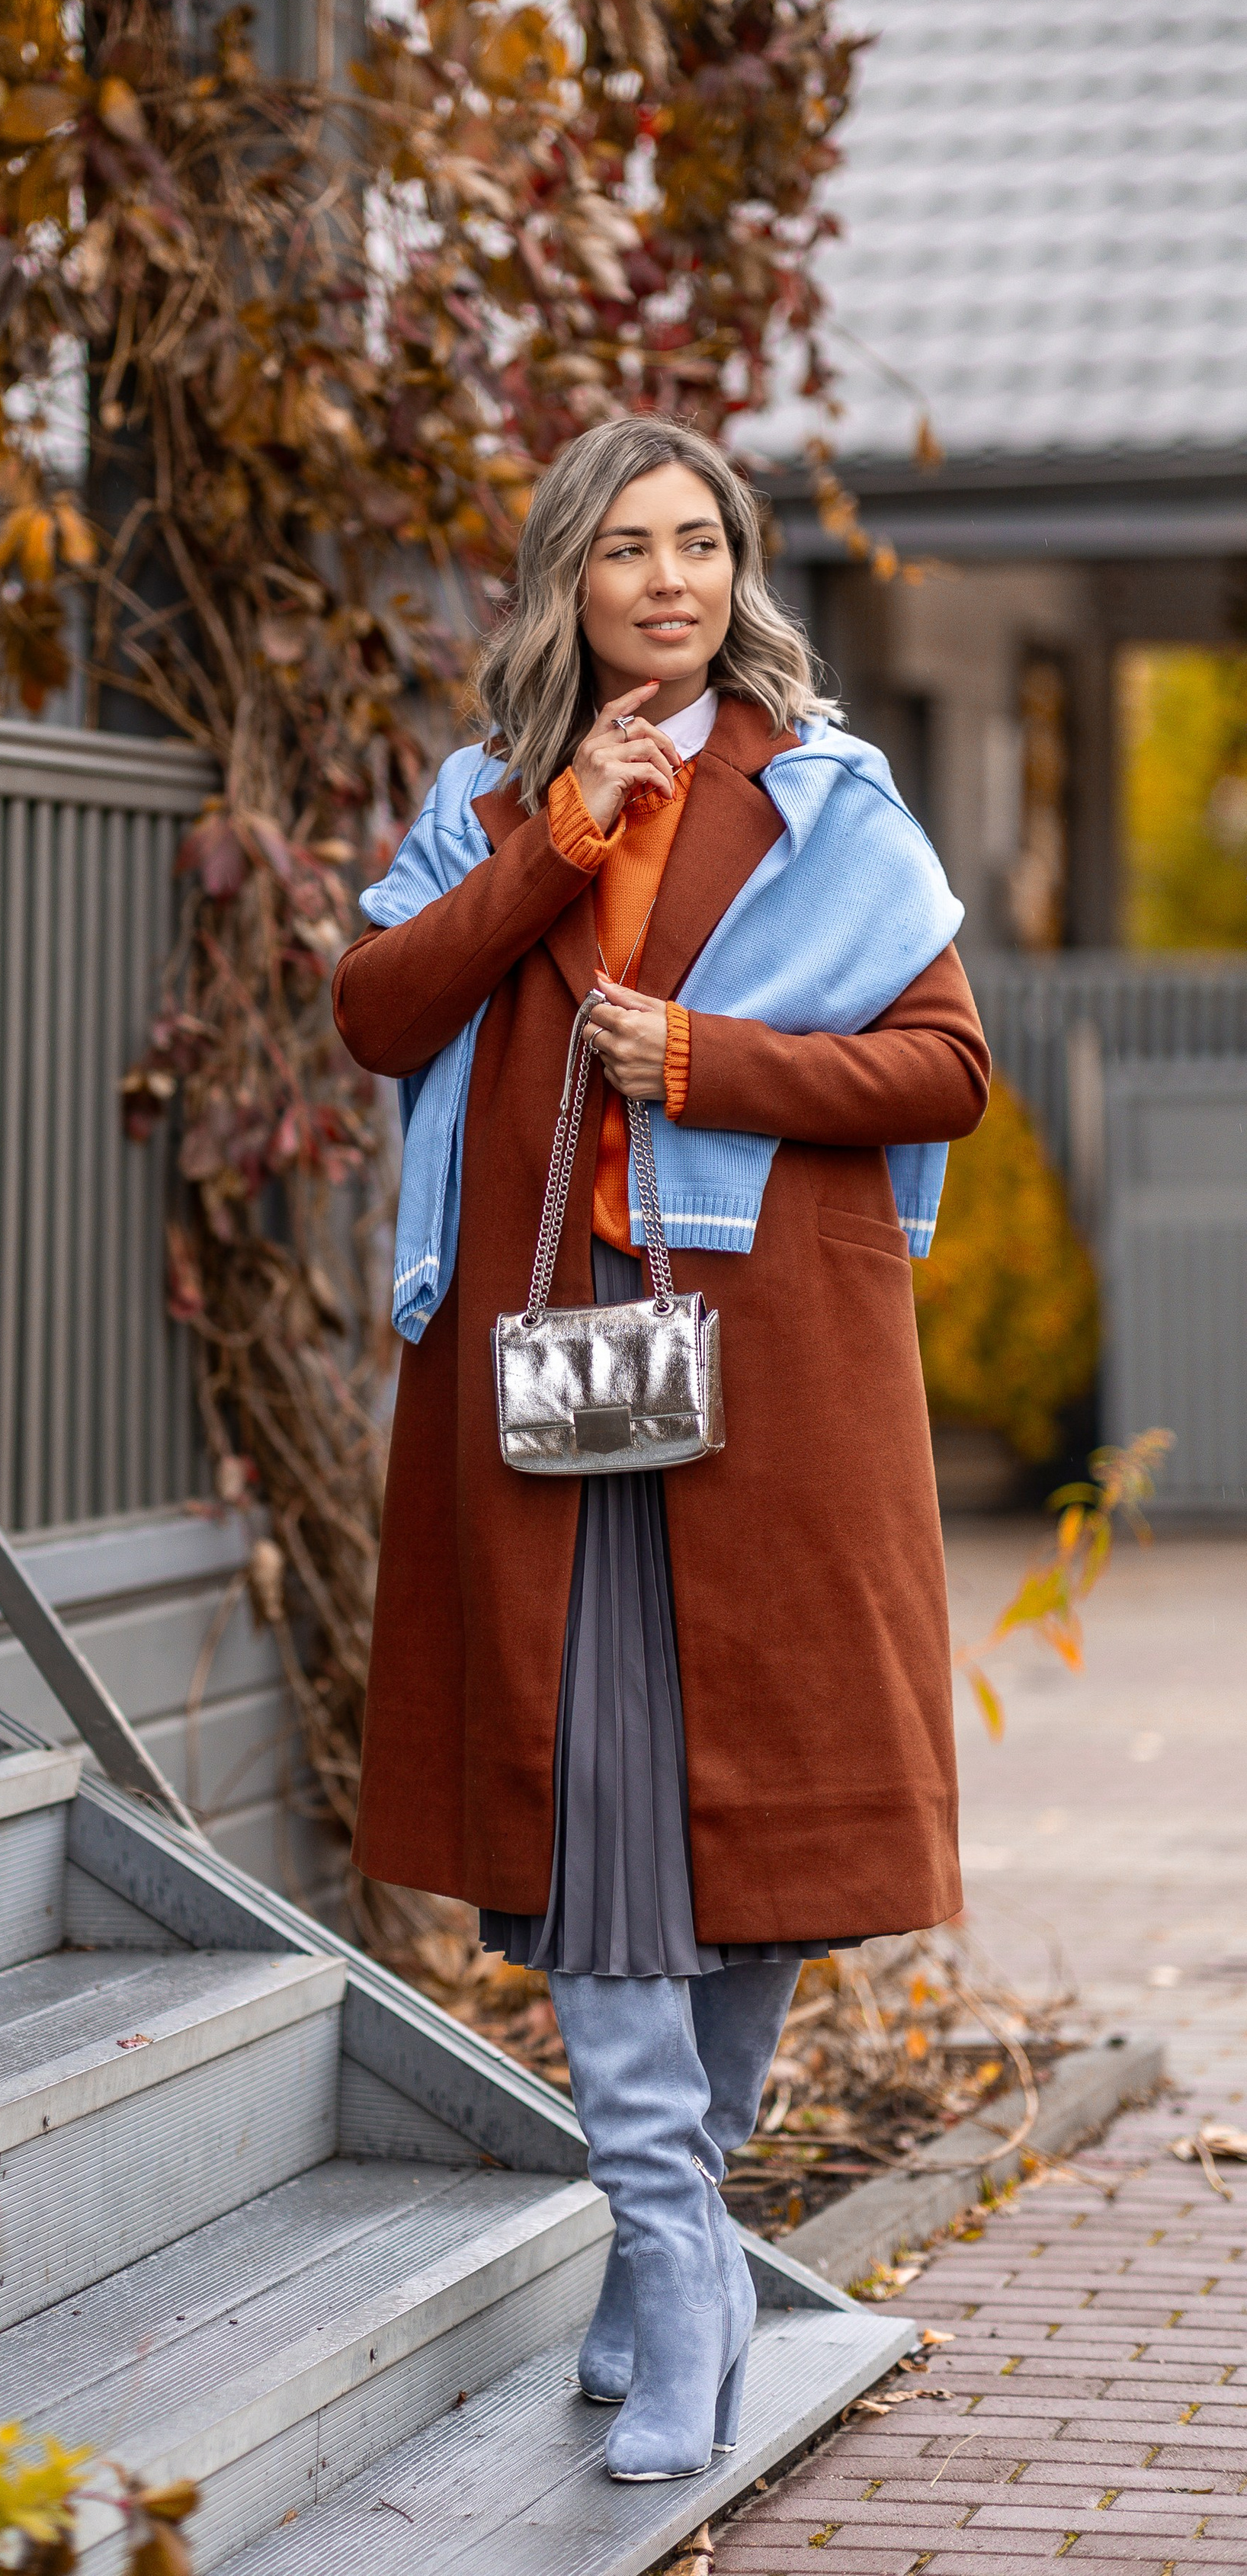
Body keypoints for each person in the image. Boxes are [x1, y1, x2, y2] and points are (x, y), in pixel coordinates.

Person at [333, 415, 989, 2481]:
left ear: (740, 573)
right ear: (570, 580)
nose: (671, 578)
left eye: (702, 543)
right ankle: (684, 2255)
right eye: (628, 548)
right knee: (599, 1831)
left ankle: (667, 2257)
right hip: (549, 1393)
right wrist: (556, 836)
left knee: (762, 1853)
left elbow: (946, 1069)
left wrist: (703, 1059)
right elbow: (378, 1012)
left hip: (774, 1392)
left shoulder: (822, 800)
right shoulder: (487, 802)